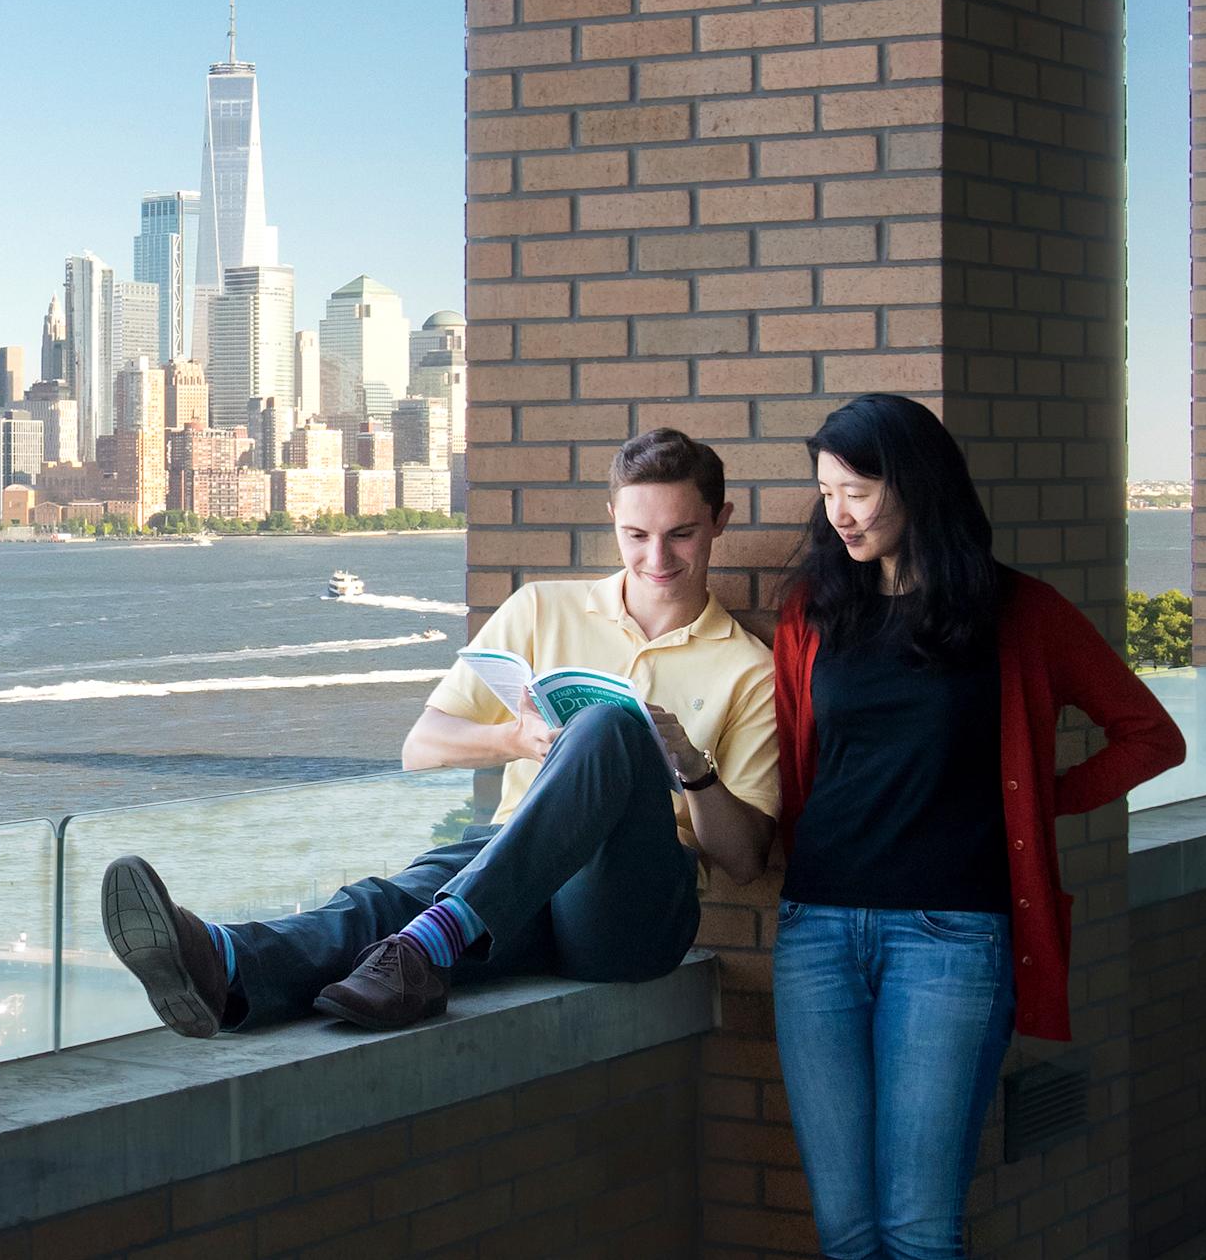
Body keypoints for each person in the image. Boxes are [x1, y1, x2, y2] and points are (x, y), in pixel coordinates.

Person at [101, 428, 780, 1036]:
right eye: (636, 535)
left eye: (681, 534)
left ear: (718, 522)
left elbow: (745, 863)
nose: (655, 556)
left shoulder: (748, 670)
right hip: (523, 881)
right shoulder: (540, 609)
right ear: (613, 519)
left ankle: (429, 940)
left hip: (629, 919)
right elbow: (420, 749)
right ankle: (225, 963)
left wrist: (691, 766)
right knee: (396, 897)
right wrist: (518, 739)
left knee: (608, 729)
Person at [770, 395, 1184, 1260]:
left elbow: (1151, 736)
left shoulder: (1020, 613)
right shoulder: (812, 609)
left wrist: (1038, 797)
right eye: (826, 492)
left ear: (917, 484)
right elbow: (802, 768)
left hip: (952, 938)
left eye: (857, 490)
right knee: (845, 1231)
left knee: (920, 1231)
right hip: (816, 931)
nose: (837, 513)